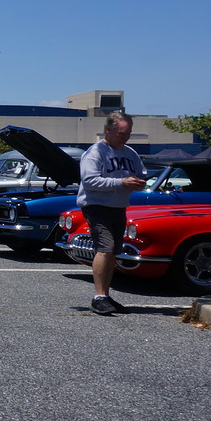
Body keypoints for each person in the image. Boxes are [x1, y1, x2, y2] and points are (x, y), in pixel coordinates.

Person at [76, 112, 146, 316]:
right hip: (97, 205)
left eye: (128, 133)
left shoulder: (130, 152)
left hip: (118, 206)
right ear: (108, 130)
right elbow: (89, 181)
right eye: (122, 133)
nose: (126, 137)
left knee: (113, 251)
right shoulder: (96, 152)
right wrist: (121, 182)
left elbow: (141, 175)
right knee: (105, 248)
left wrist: (139, 183)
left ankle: (105, 295)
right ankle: (98, 296)